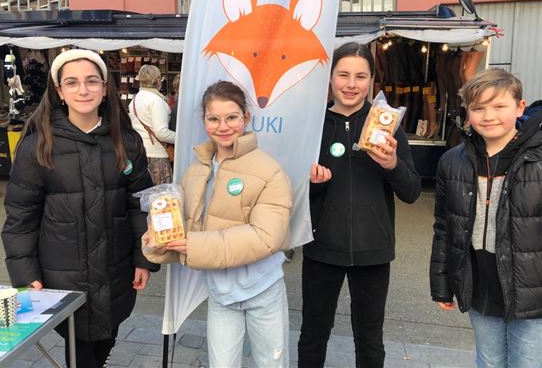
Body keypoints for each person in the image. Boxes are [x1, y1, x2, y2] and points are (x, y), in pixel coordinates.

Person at [1, 49, 160, 368]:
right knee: (81, 354)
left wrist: (144, 259)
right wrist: (26, 275)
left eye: (91, 81)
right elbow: (21, 218)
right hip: (62, 276)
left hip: (116, 271)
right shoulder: (38, 147)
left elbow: (139, 205)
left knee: (104, 343)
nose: (83, 90)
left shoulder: (126, 142)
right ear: (59, 91)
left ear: (104, 88)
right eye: (71, 82)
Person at [143, 80, 293, 367]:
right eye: (214, 118)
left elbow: (266, 237)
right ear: (204, 121)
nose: (223, 126)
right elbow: (185, 229)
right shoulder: (195, 171)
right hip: (220, 292)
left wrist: (193, 245)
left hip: (263, 289)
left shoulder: (270, 170)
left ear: (246, 118)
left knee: (272, 363)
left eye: (232, 117)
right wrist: (158, 242)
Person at [298, 42, 421, 368]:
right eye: (343, 75)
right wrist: (309, 185)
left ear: (371, 81)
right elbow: (289, 196)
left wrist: (392, 164)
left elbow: (411, 192)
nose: (351, 84)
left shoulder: (386, 123)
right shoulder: (313, 125)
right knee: (313, 332)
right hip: (321, 248)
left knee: (369, 338)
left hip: (373, 251)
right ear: (331, 78)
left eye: (360, 76)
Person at [430, 69, 542, 368]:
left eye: (499, 106)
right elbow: (444, 227)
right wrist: (442, 283)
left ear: (520, 107)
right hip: (479, 282)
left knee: (527, 362)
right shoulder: (452, 161)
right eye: (479, 108)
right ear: (468, 113)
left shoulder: (537, 159)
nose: (489, 116)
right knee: (489, 361)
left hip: (531, 289)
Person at [129, 64, 175, 183]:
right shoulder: (156, 101)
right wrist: (181, 139)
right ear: (158, 80)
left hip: (140, 154)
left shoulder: (135, 100)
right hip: (157, 157)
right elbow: (161, 133)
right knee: (161, 197)